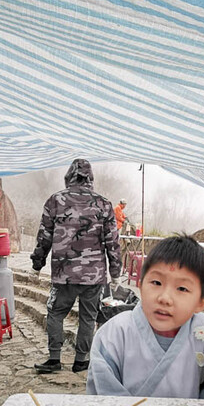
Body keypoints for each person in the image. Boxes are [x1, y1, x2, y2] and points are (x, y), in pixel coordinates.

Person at [87, 235, 204, 398]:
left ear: (201, 303)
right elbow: (105, 396)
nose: (164, 298)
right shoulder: (114, 334)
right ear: (141, 285)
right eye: (156, 283)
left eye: (182, 288)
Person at [31, 159, 122, 374]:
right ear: (90, 178)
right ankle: (81, 361)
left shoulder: (55, 201)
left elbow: (44, 236)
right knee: (88, 318)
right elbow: (113, 242)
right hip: (94, 275)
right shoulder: (104, 204)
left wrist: (37, 264)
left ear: (69, 175)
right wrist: (115, 273)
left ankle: (54, 358)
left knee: (55, 313)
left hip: (64, 275)